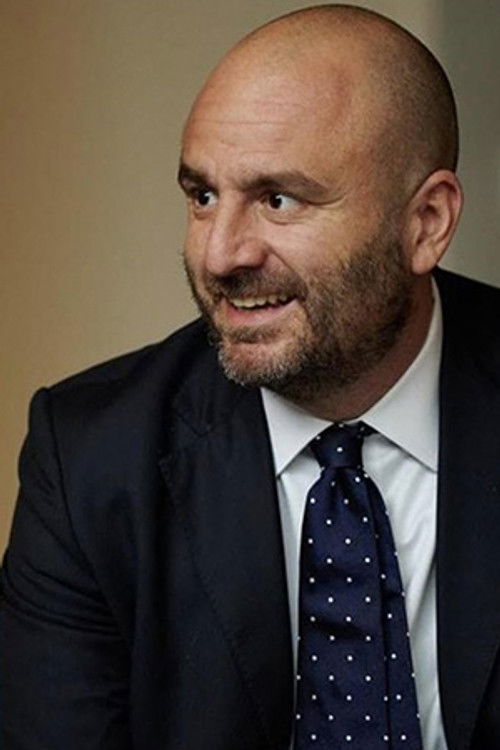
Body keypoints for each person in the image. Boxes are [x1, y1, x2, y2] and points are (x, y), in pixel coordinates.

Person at [1, 4, 499, 749]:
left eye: (278, 199)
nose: (221, 254)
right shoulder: (90, 461)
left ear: (425, 222)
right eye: (202, 196)